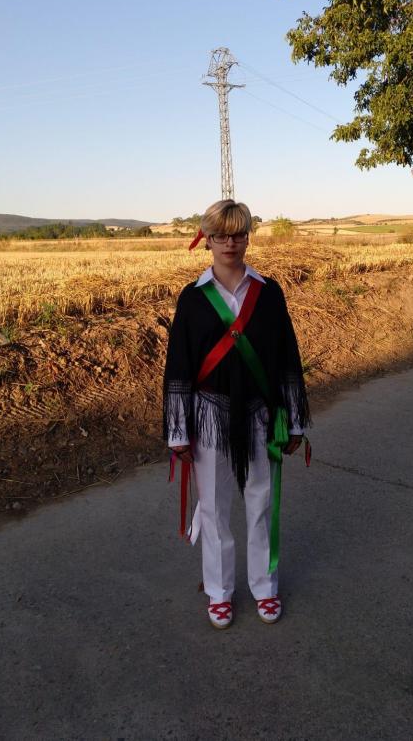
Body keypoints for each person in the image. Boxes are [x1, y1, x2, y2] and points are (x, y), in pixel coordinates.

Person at [163, 199, 310, 629]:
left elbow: (286, 359)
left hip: (261, 414)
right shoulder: (192, 299)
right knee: (213, 509)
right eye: (221, 235)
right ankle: (219, 592)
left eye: (239, 234)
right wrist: (179, 431)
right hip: (209, 415)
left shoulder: (269, 292)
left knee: (260, 505)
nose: (231, 243)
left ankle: (265, 587)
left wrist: (294, 420)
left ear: (248, 237)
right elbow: (179, 368)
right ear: (206, 239)